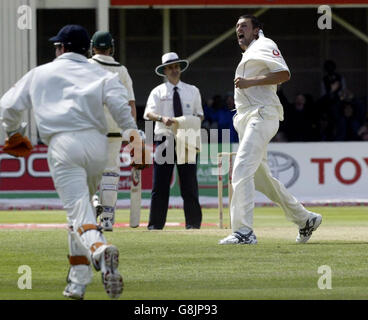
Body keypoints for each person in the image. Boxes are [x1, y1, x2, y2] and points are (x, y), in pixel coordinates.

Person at [0, 25, 144, 299]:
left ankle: (100, 251)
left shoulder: (40, 73)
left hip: (63, 144)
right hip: (98, 145)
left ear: (61, 48)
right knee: (79, 213)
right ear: (86, 50)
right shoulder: (102, 74)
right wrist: (135, 138)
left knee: (79, 212)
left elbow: (8, 105)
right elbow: (121, 109)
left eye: (57, 46)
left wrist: (13, 132)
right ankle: (77, 283)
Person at [219, 15, 322, 245]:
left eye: (244, 26)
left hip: (263, 114)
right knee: (262, 180)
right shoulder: (250, 51)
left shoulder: (266, 44)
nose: (239, 30)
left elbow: (284, 74)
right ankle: (305, 219)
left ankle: (243, 232)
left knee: (241, 167)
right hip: (247, 119)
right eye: (236, 26)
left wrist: (250, 82)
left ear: (256, 30)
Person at [143, 52, 204, 230]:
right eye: (170, 67)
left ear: (180, 68)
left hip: (187, 138)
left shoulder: (193, 90)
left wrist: (188, 122)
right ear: (165, 71)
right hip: (165, 137)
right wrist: (163, 118)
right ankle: (155, 225)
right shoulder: (158, 91)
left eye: (176, 66)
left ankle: (193, 224)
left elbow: (200, 115)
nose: (174, 70)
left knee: (189, 183)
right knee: (160, 184)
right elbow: (148, 113)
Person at [88, 31, 137, 231]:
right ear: (112, 48)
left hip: (91, 129)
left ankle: (92, 206)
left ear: (93, 47)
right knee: (110, 173)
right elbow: (131, 105)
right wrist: (131, 133)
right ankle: (107, 218)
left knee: (87, 173)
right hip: (115, 130)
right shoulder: (122, 70)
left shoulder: (86, 66)